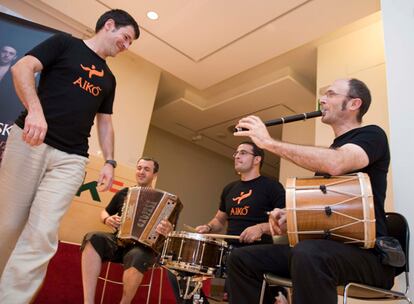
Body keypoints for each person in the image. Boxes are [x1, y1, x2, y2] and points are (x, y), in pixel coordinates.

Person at [0, 9, 139, 303]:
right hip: (29, 142)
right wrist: (35, 111)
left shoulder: (110, 80)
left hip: (71, 158)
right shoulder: (64, 43)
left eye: (131, 44)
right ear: (109, 25)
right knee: (7, 225)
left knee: (42, 235)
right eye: (126, 38)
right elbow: (21, 68)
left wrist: (111, 162)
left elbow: (105, 122)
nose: (126, 46)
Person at [227, 78, 395, 304]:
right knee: (240, 259)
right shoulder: (331, 155)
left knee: (309, 252)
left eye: (331, 94)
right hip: (320, 251)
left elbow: (337, 163)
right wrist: (288, 218)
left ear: (354, 104)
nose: (322, 99)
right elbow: (321, 217)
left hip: (369, 256)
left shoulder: (372, 135)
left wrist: (268, 143)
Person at [195, 141, 286, 301]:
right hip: (227, 253)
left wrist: (260, 228)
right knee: (217, 297)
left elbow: (286, 220)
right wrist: (208, 227)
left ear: (257, 159)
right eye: (236, 153)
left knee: (252, 299)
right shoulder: (229, 189)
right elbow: (219, 219)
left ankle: (279, 294)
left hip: (258, 253)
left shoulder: (272, 187)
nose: (237, 156)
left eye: (243, 153)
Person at [81, 157, 177, 304]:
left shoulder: (165, 201)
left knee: (137, 255)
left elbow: (171, 230)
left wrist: (168, 229)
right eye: (139, 168)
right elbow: (104, 212)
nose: (141, 172)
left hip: (143, 248)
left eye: (146, 169)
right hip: (119, 242)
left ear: (154, 174)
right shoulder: (124, 193)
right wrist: (107, 219)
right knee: (92, 237)